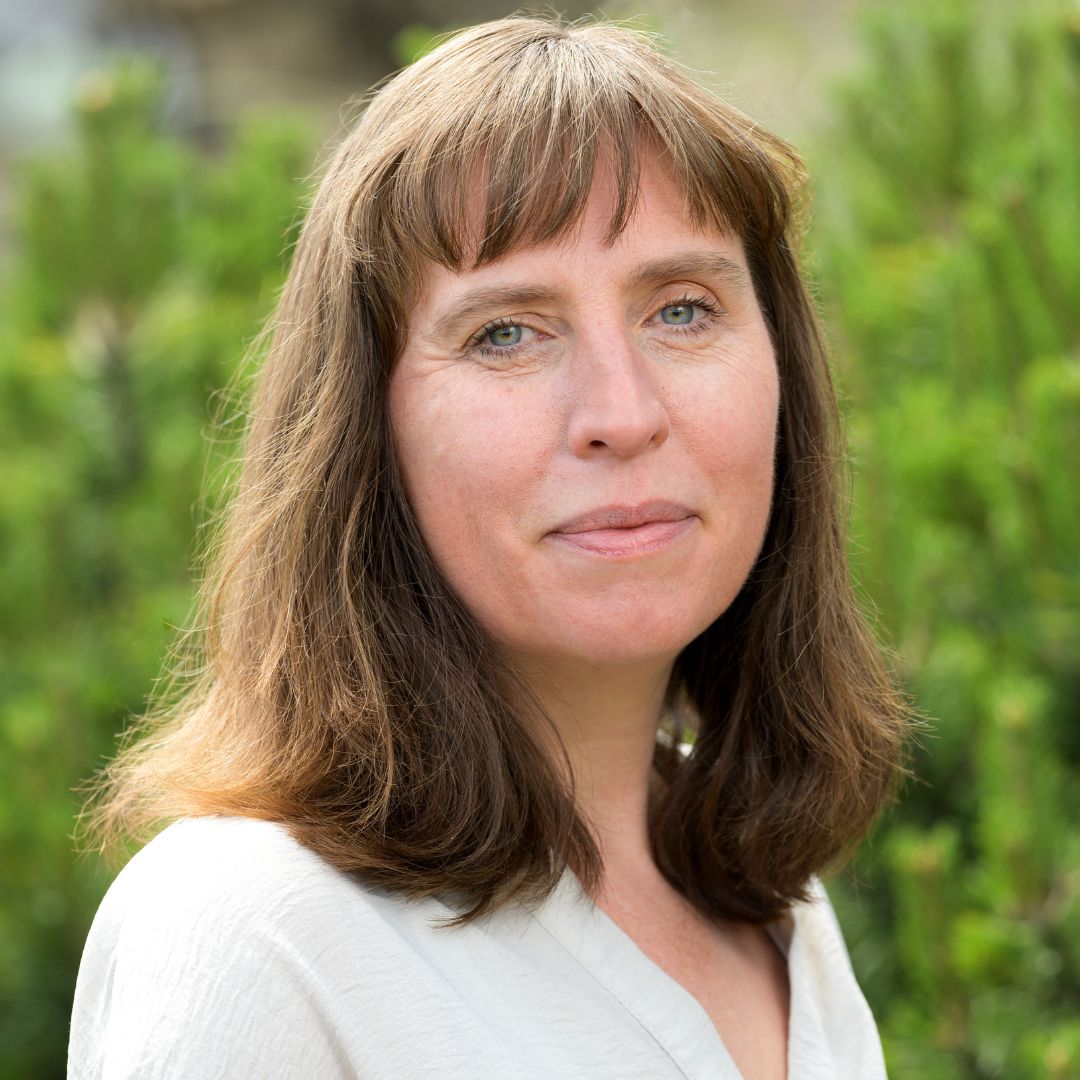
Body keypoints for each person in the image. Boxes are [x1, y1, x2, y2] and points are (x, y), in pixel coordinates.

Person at [69, 15, 911, 1080]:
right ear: (365, 430)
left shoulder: (777, 911)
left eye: (684, 309)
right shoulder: (250, 929)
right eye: (506, 331)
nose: (623, 411)